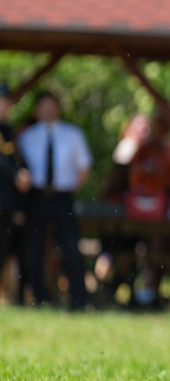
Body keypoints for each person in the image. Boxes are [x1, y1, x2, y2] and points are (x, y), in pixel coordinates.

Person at [18, 92, 92, 311]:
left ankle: (78, 300)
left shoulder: (73, 134)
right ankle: (39, 298)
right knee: (34, 248)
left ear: (59, 108)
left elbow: (84, 168)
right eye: (44, 106)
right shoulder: (26, 137)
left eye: (53, 105)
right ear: (37, 110)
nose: (49, 110)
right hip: (36, 196)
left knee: (70, 246)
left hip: (63, 196)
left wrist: (70, 189)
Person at [0, 85, 32, 294]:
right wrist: (16, 175)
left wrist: (24, 173)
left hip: (7, 204)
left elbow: (17, 159)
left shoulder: (8, 131)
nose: (7, 106)